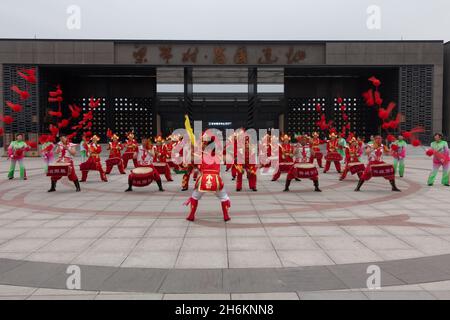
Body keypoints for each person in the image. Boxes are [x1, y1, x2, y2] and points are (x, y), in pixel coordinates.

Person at [184, 134, 231, 222]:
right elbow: (228, 160)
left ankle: (191, 215)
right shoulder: (218, 155)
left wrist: (191, 151)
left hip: (203, 180)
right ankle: (226, 216)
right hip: (216, 181)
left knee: (194, 197)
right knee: (224, 197)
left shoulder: (200, 155)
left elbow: (190, 160)